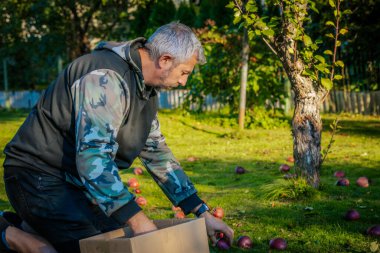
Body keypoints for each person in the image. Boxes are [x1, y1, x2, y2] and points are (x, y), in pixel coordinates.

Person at [1, 21, 234, 253]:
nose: (184, 81)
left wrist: (200, 210)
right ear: (164, 60)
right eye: (184, 72)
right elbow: (94, 158)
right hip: (36, 176)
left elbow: (156, 151)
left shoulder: (145, 88)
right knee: (98, 245)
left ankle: (33, 226)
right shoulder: (105, 78)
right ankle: (10, 233)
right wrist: (138, 220)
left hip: (74, 182)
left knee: (116, 236)